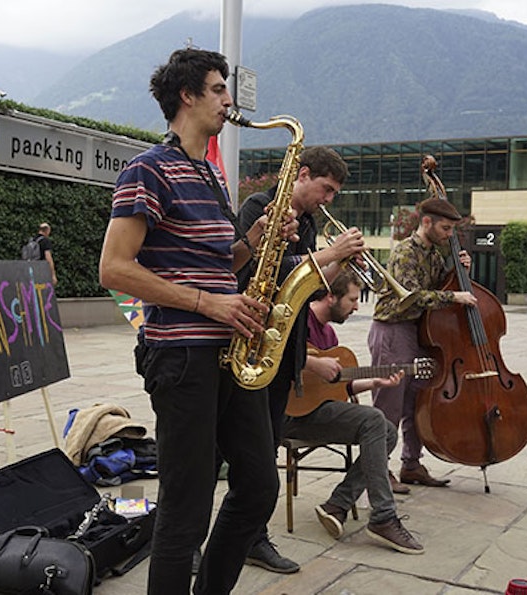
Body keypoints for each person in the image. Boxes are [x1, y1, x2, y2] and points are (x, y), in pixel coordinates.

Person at [98, 48, 293, 595]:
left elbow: (215, 264)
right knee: (185, 509)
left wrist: (255, 242)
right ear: (186, 96)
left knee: (257, 488)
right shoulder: (148, 168)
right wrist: (210, 304)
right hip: (182, 356)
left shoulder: (209, 172)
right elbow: (113, 268)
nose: (228, 100)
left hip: (230, 351)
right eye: (216, 89)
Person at [236, 146, 367, 573]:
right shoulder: (260, 208)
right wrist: (330, 255)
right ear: (303, 174)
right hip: (254, 347)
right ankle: (222, 539)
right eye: (325, 189)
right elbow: (260, 276)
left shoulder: (307, 222)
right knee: (248, 462)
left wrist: (338, 265)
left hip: (282, 355)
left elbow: (308, 289)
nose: (328, 199)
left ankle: (253, 538)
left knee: (262, 458)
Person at [283, 271, 424, 554]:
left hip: (320, 412)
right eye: (353, 299)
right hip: (289, 415)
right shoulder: (298, 322)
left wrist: (375, 381)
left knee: (386, 431)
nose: (357, 307)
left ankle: (338, 504)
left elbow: (337, 387)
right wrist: (311, 363)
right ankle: (383, 516)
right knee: (374, 420)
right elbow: (279, 357)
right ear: (330, 297)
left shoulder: (329, 333)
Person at [367, 156, 478, 490]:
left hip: (416, 333)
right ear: (427, 222)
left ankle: (411, 465)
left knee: (416, 400)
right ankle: (379, 471)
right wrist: (454, 297)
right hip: (392, 331)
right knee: (388, 403)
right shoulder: (405, 252)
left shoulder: (434, 253)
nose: (449, 235)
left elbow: (438, 288)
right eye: (445, 229)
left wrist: (459, 273)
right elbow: (412, 296)